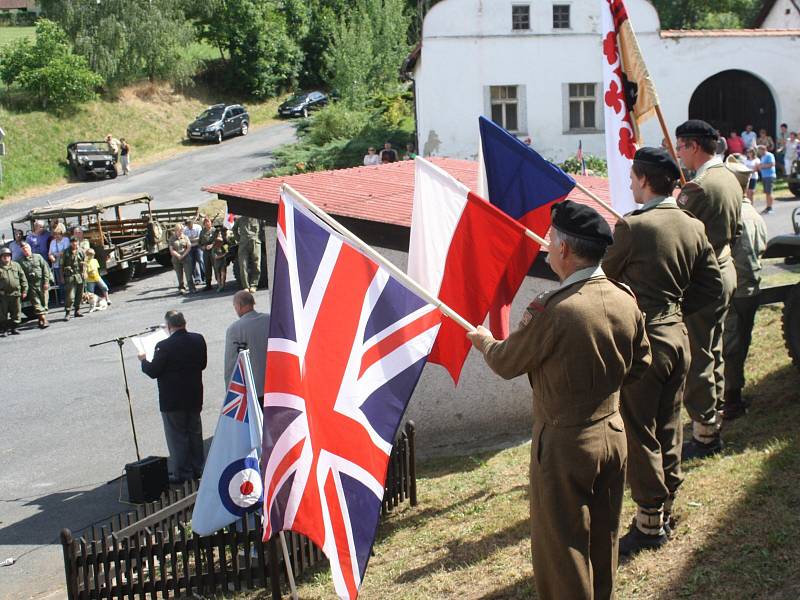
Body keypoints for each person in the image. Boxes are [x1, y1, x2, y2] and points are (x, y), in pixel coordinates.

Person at [467, 200, 651, 600]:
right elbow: (642, 363)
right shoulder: (624, 297)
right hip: (613, 431)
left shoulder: (554, 309)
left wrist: (484, 341)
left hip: (566, 443)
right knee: (604, 536)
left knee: (562, 547)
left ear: (566, 250)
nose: (547, 247)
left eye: (551, 240)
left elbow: (507, 361)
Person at [602, 148, 723, 556]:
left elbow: (603, 279)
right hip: (678, 338)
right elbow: (712, 287)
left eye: (634, 177)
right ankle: (667, 502)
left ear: (646, 180)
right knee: (670, 425)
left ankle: (650, 522)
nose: (631, 183)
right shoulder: (691, 225)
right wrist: (673, 312)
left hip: (645, 344)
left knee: (640, 431)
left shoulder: (634, 227)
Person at [675, 119, 743, 459]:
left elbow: (677, 234)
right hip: (725, 268)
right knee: (712, 350)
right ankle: (712, 421)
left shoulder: (699, 187)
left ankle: (705, 436)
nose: (678, 154)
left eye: (680, 147)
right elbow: (739, 229)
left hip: (703, 280)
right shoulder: (730, 177)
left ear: (694, 147)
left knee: (698, 357)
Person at [721, 156, 768, 420]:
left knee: (731, 346)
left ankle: (731, 400)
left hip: (736, 289)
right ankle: (734, 393)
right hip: (752, 289)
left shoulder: (733, 214)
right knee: (742, 342)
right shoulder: (753, 213)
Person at [139, 310, 207, 483]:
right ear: (184, 322)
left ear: (169, 326)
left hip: (173, 399)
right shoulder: (198, 339)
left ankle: (183, 473)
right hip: (194, 394)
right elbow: (202, 364)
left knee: (177, 437)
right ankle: (199, 468)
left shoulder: (164, 345)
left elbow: (153, 371)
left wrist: (143, 360)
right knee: (194, 433)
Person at [224, 290, 270, 401]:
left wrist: (230, 392)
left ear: (239, 306)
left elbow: (231, 364)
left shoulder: (234, 329)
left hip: (254, 389)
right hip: (274, 385)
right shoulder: (269, 319)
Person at [17, 242, 51, 328]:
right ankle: (44, 320)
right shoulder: (20, 261)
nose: (26, 251)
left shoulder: (38, 257)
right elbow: (21, 275)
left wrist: (46, 282)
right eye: (23, 250)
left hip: (42, 283)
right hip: (31, 286)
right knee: (36, 303)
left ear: (30, 248)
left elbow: (45, 269)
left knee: (44, 303)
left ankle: (40, 318)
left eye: (27, 248)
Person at [0, 246, 28, 336]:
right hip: (3, 295)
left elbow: (23, 278)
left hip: (16, 293)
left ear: (10, 256)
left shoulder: (16, 265)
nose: (6, 257)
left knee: (16, 312)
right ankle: (4, 329)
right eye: (4, 255)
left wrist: (25, 290)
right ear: (1, 257)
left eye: (8, 255)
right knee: (2, 313)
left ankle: (14, 328)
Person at [232, 216, 262, 293]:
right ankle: (246, 286)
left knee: (256, 265)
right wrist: (239, 239)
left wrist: (259, 238)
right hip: (243, 244)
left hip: (255, 242)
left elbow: (262, 228)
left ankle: (254, 285)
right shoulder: (240, 219)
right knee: (243, 265)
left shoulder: (257, 218)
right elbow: (234, 229)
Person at [60, 236, 86, 320]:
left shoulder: (81, 251)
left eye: (76, 242)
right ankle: (67, 312)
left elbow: (84, 262)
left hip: (79, 275)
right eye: (72, 242)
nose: (74, 243)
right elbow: (61, 265)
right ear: (70, 243)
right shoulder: (65, 252)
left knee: (80, 294)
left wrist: (85, 272)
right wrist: (61, 277)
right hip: (69, 276)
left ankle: (77, 311)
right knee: (70, 296)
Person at [168, 224, 194, 294]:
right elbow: (171, 250)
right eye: (179, 230)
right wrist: (178, 255)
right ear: (176, 230)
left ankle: (191, 287)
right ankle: (182, 288)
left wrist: (183, 255)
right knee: (179, 274)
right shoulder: (172, 239)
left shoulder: (185, 237)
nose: (181, 232)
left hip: (186, 258)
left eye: (182, 230)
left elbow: (189, 247)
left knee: (188, 273)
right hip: (176, 259)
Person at [48, 223, 70, 306]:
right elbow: (50, 253)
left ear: (61, 234)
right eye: (55, 234)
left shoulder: (66, 240)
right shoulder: (53, 242)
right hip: (56, 264)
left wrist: (56, 254)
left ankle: (70, 297)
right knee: (60, 282)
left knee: (68, 280)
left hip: (65, 264)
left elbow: (65, 251)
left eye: (58, 234)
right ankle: (62, 298)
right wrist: (51, 257)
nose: (56, 236)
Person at [756, 144, 776, 214]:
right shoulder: (762, 156)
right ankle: (768, 207)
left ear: (763, 149)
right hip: (764, 176)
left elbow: (772, 164)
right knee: (767, 192)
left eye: (759, 150)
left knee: (769, 192)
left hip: (770, 176)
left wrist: (762, 166)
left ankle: (770, 207)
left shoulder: (769, 155)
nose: (759, 152)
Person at [183, 218, 203, 286]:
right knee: (192, 263)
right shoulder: (185, 229)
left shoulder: (198, 227)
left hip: (198, 246)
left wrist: (190, 240)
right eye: (187, 224)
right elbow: (185, 239)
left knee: (201, 260)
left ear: (192, 223)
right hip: (190, 248)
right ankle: (197, 278)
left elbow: (200, 238)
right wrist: (192, 240)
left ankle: (204, 277)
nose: (189, 225)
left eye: (189, 223)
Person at [198, 217, 216, 291]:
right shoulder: (202, 232)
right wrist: (202, 247)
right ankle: (208, 284)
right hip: (206, 252)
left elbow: (218, 239)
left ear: (211, 223)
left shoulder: (214, 231)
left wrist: (212, 245)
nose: (207, 223)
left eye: (208, 222)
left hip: (214, 251)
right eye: (205, 222)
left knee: (216, 267)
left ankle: (220, 283)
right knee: (207, 268)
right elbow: (199, 242)